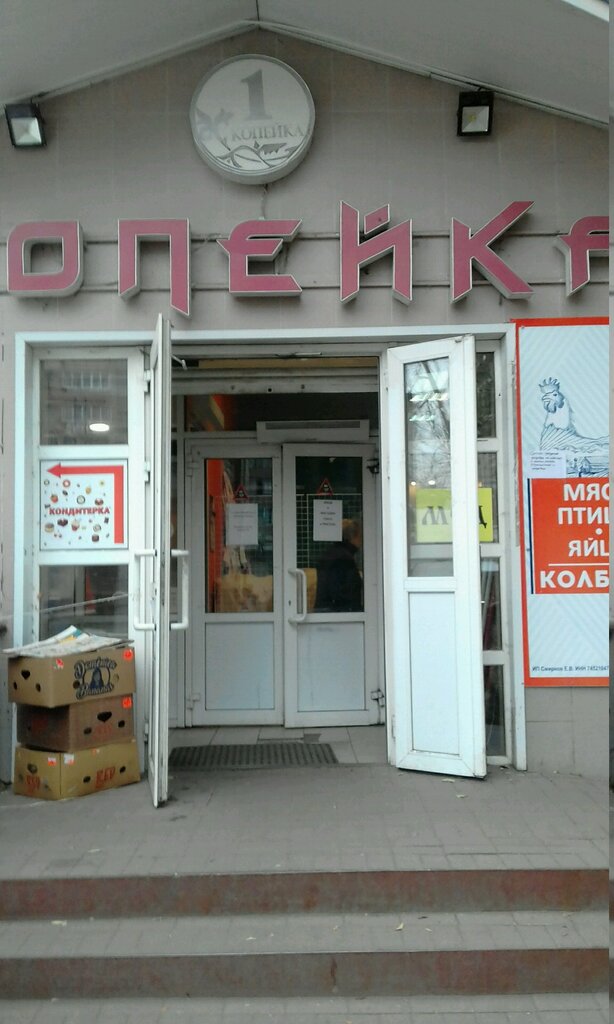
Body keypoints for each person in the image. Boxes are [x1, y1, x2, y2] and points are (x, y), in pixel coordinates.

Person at [315, 519, 363, 612]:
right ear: (353, 537)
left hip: (327, 608)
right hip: (339, 611)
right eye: (360, 536)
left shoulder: (333, 553)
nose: (361, 541)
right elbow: (344, 590)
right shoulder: (343, 558)